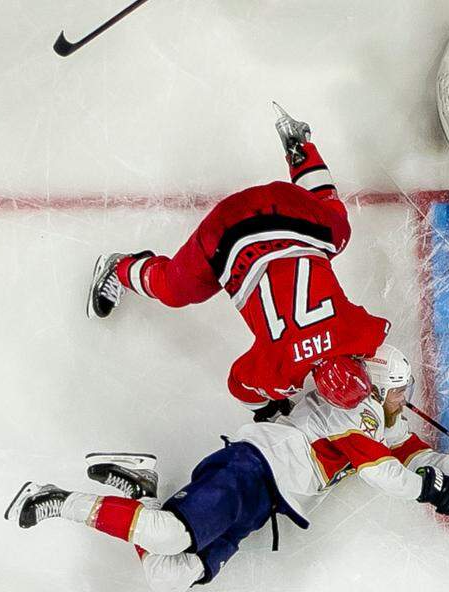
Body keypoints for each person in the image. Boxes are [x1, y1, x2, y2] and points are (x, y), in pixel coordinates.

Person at [4, 345, 449, 592]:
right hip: (253, 469)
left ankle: (145, 490)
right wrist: (429, 491)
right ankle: (55, 498)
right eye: (397, 389)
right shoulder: (352, 415)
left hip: (268, 503)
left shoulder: (381, 425)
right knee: (169, 536)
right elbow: (389, 473)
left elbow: (416, 456)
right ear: (372, 388)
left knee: (170, 576)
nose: (404, 397)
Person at [87, 103, 389, 421]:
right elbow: (239, 384)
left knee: (336, 231)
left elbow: (380, 349)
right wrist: (269, 408)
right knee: (174, 289)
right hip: (227, 230)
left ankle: (301, 150)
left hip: (286, 207)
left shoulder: (359, 333)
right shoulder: (281, 371)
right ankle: (119, 268)